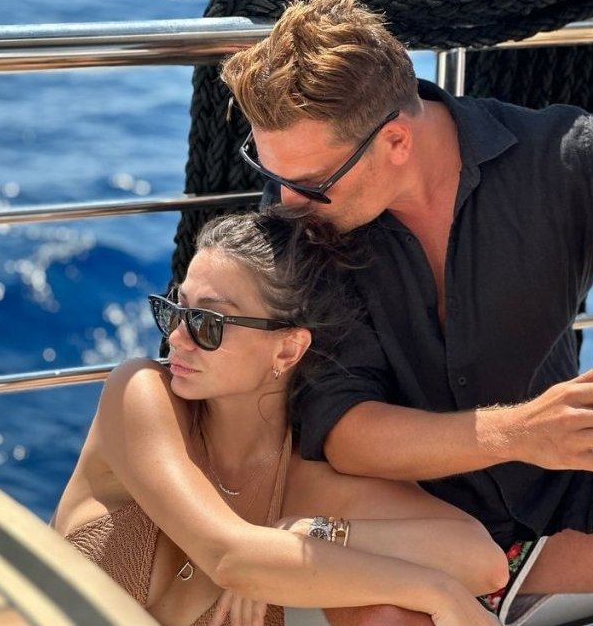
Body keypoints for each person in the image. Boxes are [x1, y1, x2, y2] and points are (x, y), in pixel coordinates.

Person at [220, 0, 593, 626]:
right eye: (272, 173)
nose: (284, 201)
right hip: (395, 524)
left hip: (554, 492)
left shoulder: (562, 159)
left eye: (311, 182)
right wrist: (520, 432)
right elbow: (345, 433)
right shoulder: (299, 225)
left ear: (396, 140)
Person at [51, 210, 508, 626]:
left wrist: (311, 532)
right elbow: (229, 558)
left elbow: (483, 561)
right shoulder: (140, 393)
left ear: (287, 349)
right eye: (174, 310)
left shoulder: (306, 483)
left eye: (208, 322)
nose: (177, 337)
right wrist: (433, 590)